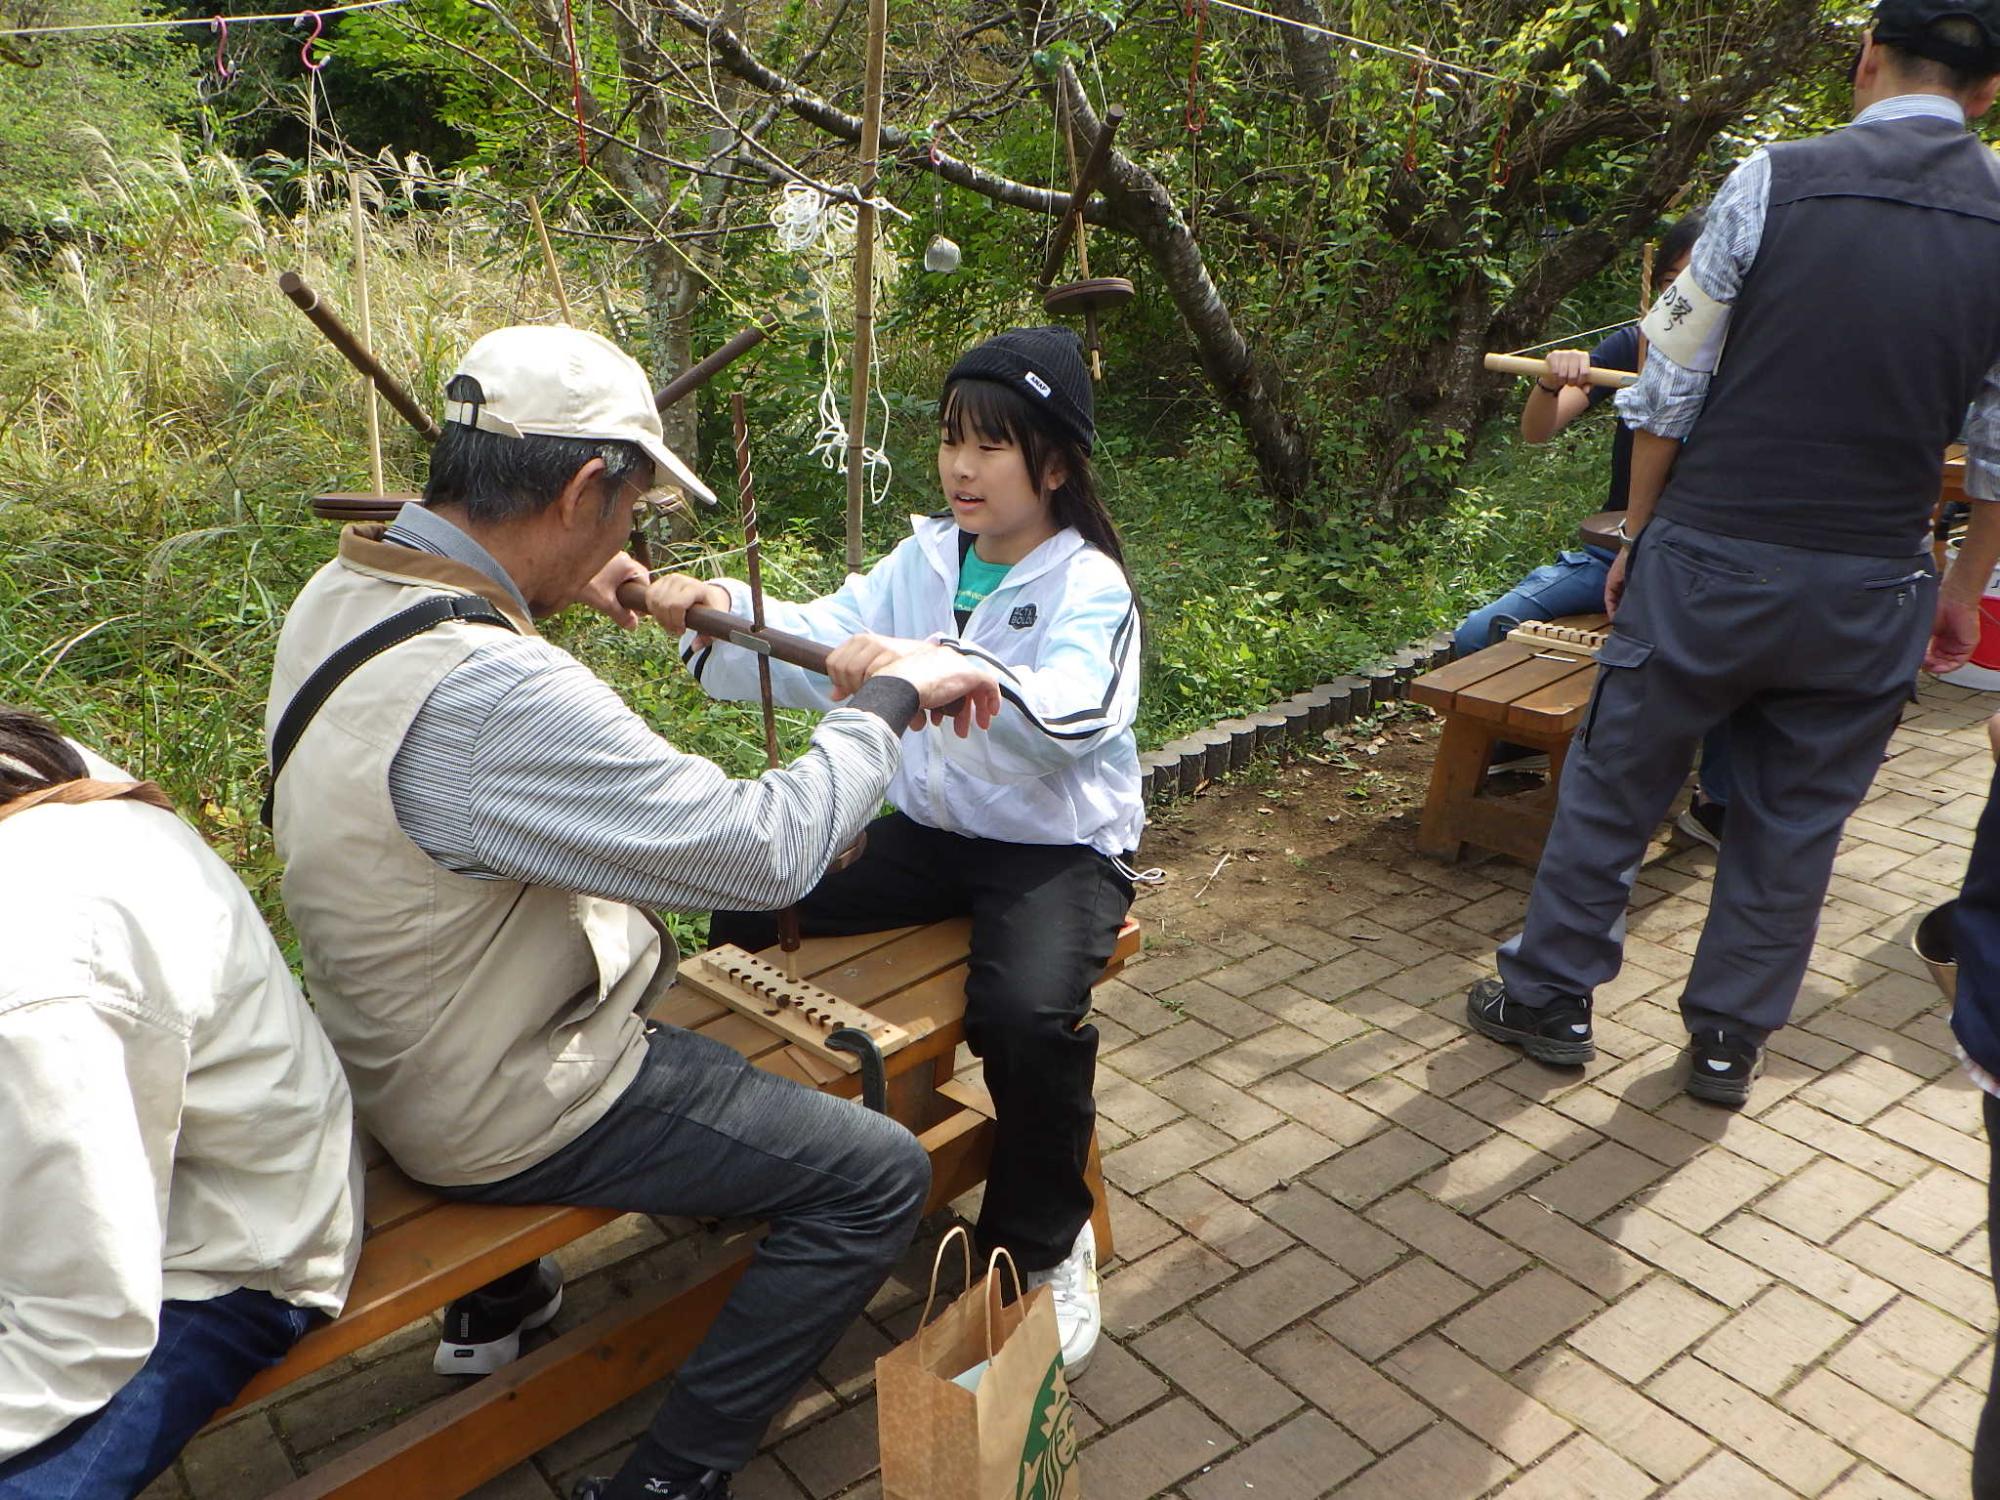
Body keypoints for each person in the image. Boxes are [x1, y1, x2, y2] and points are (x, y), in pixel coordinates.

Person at [261, 325, 1003, 1500]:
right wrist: (889, 701)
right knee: (872, 1176)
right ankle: (668, 1481)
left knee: (683, 1030)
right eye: (624, 512)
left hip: (383, 1035)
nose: (628, 540)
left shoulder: (350, 590)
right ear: (576, 490)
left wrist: (556, 576)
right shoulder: (493, 688)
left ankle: (504, 1299)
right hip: (495, 1099)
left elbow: (467, 666)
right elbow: (764, 854)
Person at [1465, 0, 2000, 1108]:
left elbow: (1670, 379)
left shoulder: (1771, 179)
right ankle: (1725, 1040)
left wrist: (1640, 532)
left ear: (1866, 57)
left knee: (1617, 785)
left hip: (1709, 558)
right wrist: (1961, 585)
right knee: (1794, 823)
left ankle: (1549, 997)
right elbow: (1998, 443)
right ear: (1988, 94)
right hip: (1873, 580)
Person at [652, 327, 1144, 1377]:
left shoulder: (1089, 586)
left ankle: (1042, 1247)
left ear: (1055, 465)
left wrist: (942, 664)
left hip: (1051, 849)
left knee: (1027, 1018)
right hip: (932, 835)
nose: (962, 467)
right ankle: (783, 1152)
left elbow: (1071, 718)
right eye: (953, 440)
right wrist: (716, 610)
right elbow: (821, 637)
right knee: (757, 896)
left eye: (993, 446)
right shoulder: (923, 560)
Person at [0, 706, 361, 1500]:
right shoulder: (17, 763)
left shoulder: (28, 977)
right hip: (109, 1195)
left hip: (220, 1257)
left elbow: (79, 1331)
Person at [1459, 214, 1733, 847]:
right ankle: (1520, 741)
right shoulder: (1634, 343)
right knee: (1480, 632)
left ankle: (1719, 799)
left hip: (1700, 566)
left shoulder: (1755, 361)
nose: (1686, 295)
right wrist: (1550, 380)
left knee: (1728, 666)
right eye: (1673, 280)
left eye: (1702, 281)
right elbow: (1539, 429)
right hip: (1610, 552)